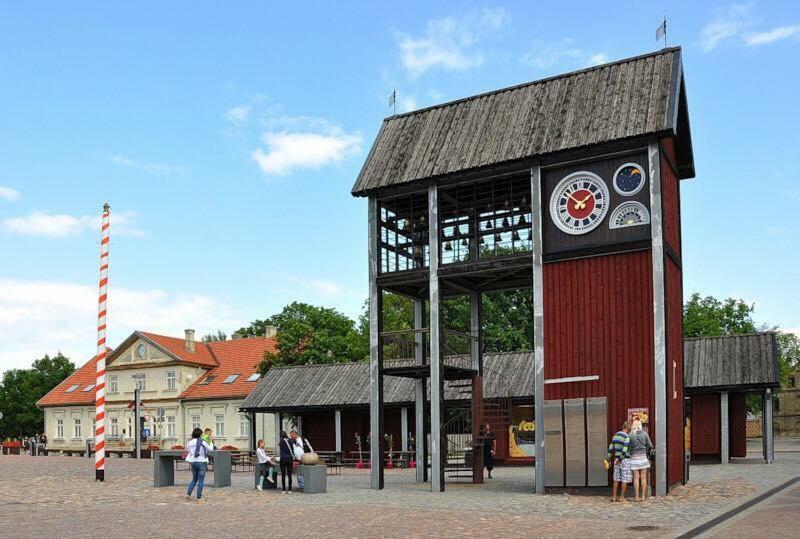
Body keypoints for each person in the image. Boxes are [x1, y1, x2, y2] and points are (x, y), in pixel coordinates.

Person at [185, 427, 213, 501]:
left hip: (193, 462)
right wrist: (211, 441)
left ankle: (188, 493)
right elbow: (210, 449)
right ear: (200, 434)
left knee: (194, 479)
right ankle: (199, 497)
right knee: (201, 480)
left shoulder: (190, 442)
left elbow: (188, 450)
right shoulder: (202, 442)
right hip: (201, 462)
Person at [629, 420, 653, 502]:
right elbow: (650, 445)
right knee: (643, 477)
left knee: (636, 478)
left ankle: (636, 497)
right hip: (643, 457)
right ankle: (643, 496)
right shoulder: (645, 433)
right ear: (640, 425)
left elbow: (628, 447)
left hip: (634, 458)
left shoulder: (631, 434)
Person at [607, 421, 632, 502]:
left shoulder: (615, 435)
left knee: (616, 478)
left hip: (616, 459)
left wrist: (608, 458)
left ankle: (614, 497)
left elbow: (610, 448)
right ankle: (621, 497)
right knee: (624, 479)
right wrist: (621, 459)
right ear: (628, 428)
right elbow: (624, 450)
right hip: (624, 459)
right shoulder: (627, 437)